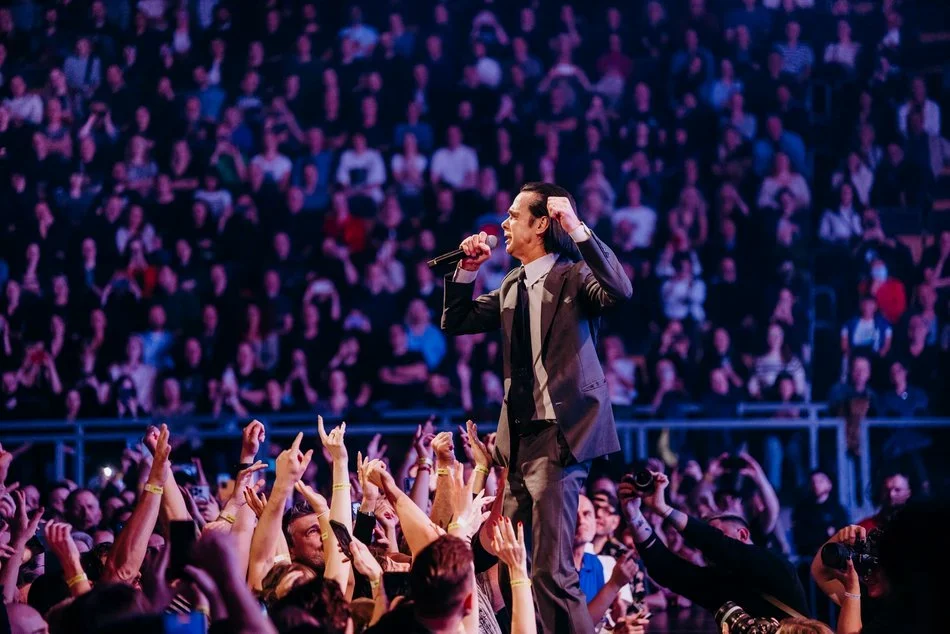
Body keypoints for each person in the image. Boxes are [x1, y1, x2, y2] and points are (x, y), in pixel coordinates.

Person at [442, 182, 632, 633]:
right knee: (509, 558)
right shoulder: (511, 283)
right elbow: (457, 320)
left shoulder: (575, 274)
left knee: (550, 570)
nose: (503, 224)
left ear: (542, 223)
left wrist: (578, 228)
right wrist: (466, 270)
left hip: (560, 436)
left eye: (513, 215)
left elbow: (620, 290)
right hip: (520, 440)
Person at [619, 471, 810, 621]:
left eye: (717, 531)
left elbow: (716, 544)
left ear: (742, 534)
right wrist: (633, 516)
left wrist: (664, 509)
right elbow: (667, 569)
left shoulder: (777, 567)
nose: (704, 547)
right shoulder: (722, 583)